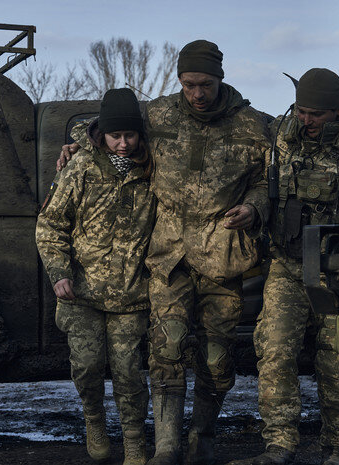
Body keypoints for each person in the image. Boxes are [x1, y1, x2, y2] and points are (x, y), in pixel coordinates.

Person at [59, 40, 270, 465]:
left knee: (216, 356)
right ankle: (167, 446)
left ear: (220, 78)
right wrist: (76, 145)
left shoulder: (253, 125)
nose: (197, 93)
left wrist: (254, 207)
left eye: (205, 84)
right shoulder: (157, 114)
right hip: (168, 254)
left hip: (222, 255)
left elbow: (268, 180)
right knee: (167, 348)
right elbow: (112, 131)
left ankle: (203, 437)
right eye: (189, 84)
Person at [229, 68, 339, 465]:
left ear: (337, 112)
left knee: (337, 361)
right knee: (273, 350)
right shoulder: (282, 133)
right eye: (301, 110)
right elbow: (241, 143)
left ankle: (336, 450)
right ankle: (279, 446)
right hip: (288, 266)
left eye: (315, 114)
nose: (305, 120)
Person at [36, 88, 155, 465]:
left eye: (130, 135)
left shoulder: (153, 168)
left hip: (131, 294)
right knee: (86, 367)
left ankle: (134, 441)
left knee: (128, 373)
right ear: (100, 132)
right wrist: (58, 273)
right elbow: (51, 225)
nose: (123, 144)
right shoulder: (81, 167)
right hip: (82, 294)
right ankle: (94, 422)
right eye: (115, 136)